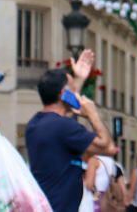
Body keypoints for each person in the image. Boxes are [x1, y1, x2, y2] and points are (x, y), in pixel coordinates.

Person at [26, 49, 117, 210]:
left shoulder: (35, 124)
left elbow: (64, 109)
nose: (76, 93)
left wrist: (79, 79)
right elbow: (108, 147)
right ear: (63, 94)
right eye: (73, 89)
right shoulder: (64, 127)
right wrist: (92, 115)